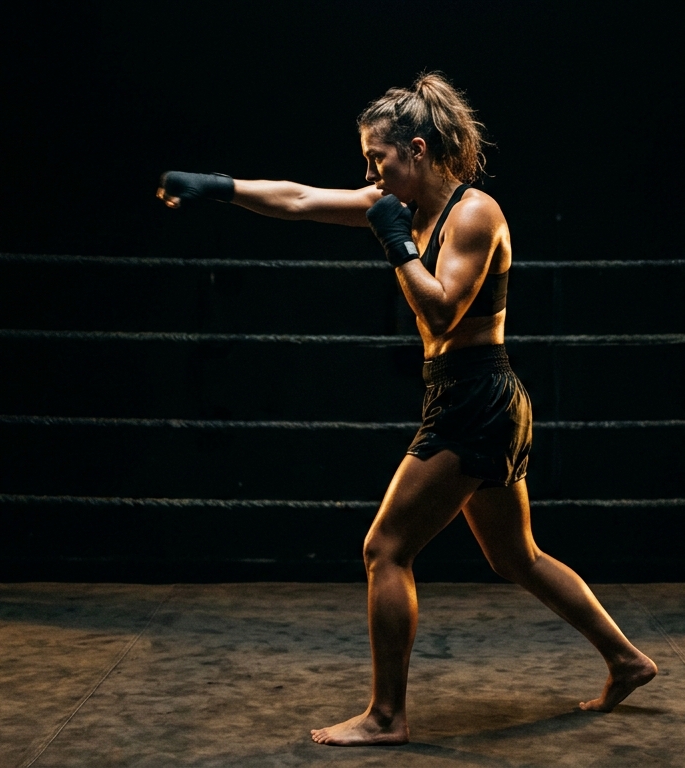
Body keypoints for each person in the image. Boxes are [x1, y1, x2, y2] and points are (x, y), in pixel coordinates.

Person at [158, 72, 657, 747]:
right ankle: (627, 659)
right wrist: (218, 186)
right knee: (517, 558)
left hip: (476, 396)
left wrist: (397, 243)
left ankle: (387, 716)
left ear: (416, 150)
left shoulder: (475, 213)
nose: (369, 172)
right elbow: (302, 199)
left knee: (385, 548)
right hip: (470, 395)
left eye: (377, 159)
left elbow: (444, 309)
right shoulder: (405, 205)